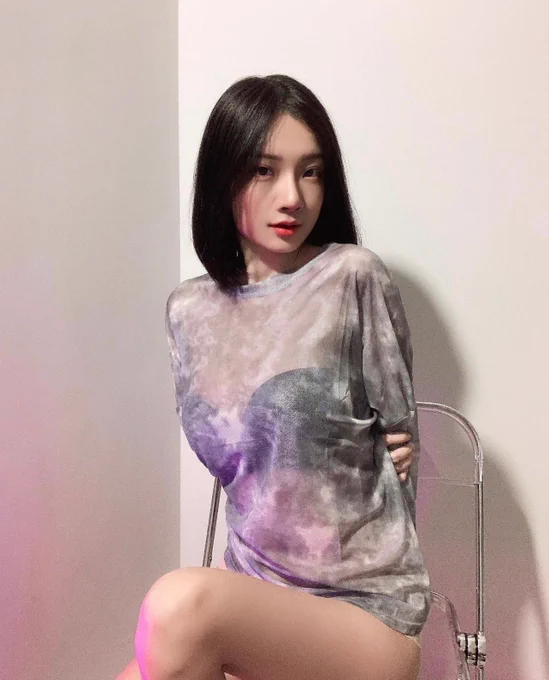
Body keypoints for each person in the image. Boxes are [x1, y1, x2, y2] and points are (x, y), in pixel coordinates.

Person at [115, 74, 430, 680]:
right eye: (264, 170)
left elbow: (400, 447)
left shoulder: (352, 277)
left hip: (362, 611)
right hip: (253, 598)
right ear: (223, 175)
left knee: (178, 607)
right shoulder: (188, 311)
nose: (292, 197)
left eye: (311, 172)